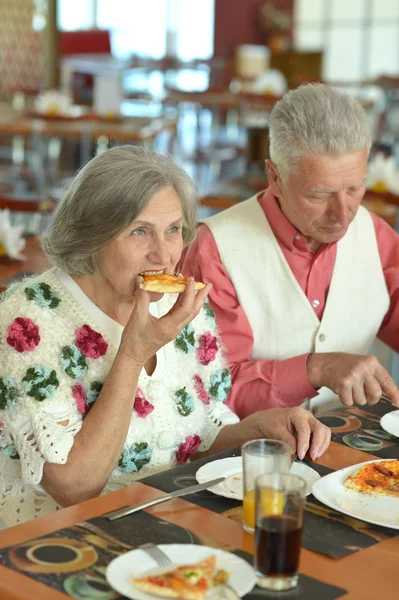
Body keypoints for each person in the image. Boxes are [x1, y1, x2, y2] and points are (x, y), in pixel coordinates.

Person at [0, 145, 330, 529]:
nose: (163, 255)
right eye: (140, 231)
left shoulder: (182, 306)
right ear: (92, 234)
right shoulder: (25, 320)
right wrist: (134, 353)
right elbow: (75, 489)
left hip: (170, 523)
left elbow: (201, 436)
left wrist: (261, 429)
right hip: (52, 546)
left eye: (173, 230)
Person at [182, 83, 399, 419]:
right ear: (275, 177)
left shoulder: (377, 237)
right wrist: (316, 368)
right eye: (319, 195)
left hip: (352, 458)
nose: (343, 215)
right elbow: (209, 389)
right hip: (242, 459)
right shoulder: (214, 251)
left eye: (355, 188)